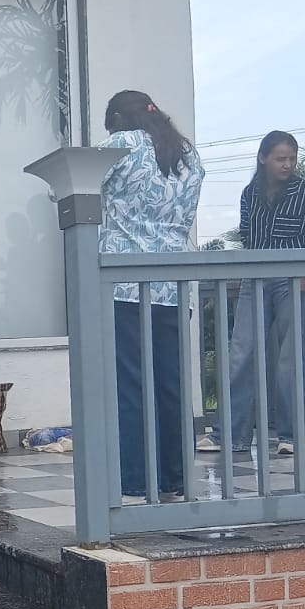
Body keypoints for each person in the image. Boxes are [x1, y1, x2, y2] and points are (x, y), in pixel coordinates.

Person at [198, 131, 305, 457]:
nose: (287, 164)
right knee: (240, 355)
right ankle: (229, 436)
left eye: (292, 158)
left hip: (293, 280)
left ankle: (291, 436)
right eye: (280, 158)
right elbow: (249, 239)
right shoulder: (250, 193)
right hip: (255, 279)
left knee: (291, 359)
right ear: (263, 158)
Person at [99, 89, 205, 500]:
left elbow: (76, 183)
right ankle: (176, 476)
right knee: (173, 383)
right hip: (174, 285)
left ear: (116, 118)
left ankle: (136, 478)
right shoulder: (187, 154)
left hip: (125, 283)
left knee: (131, 384)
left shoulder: (120, 145)